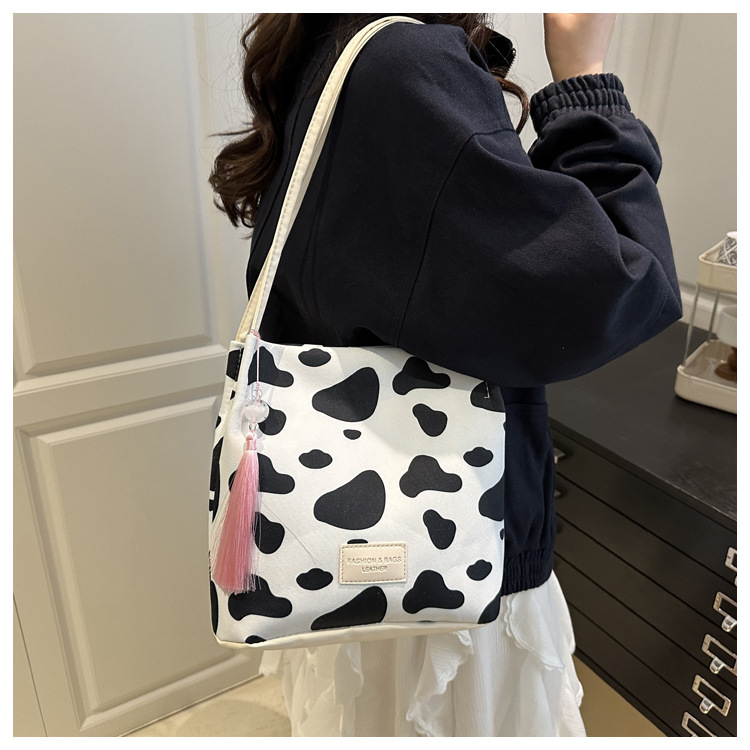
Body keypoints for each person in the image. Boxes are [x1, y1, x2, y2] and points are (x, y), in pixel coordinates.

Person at [208, 12, 681, 737]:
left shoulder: (336, 50)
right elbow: (619, 287)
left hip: (363, 554)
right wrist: (583, 78)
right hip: (451, 573)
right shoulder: (408, 65)